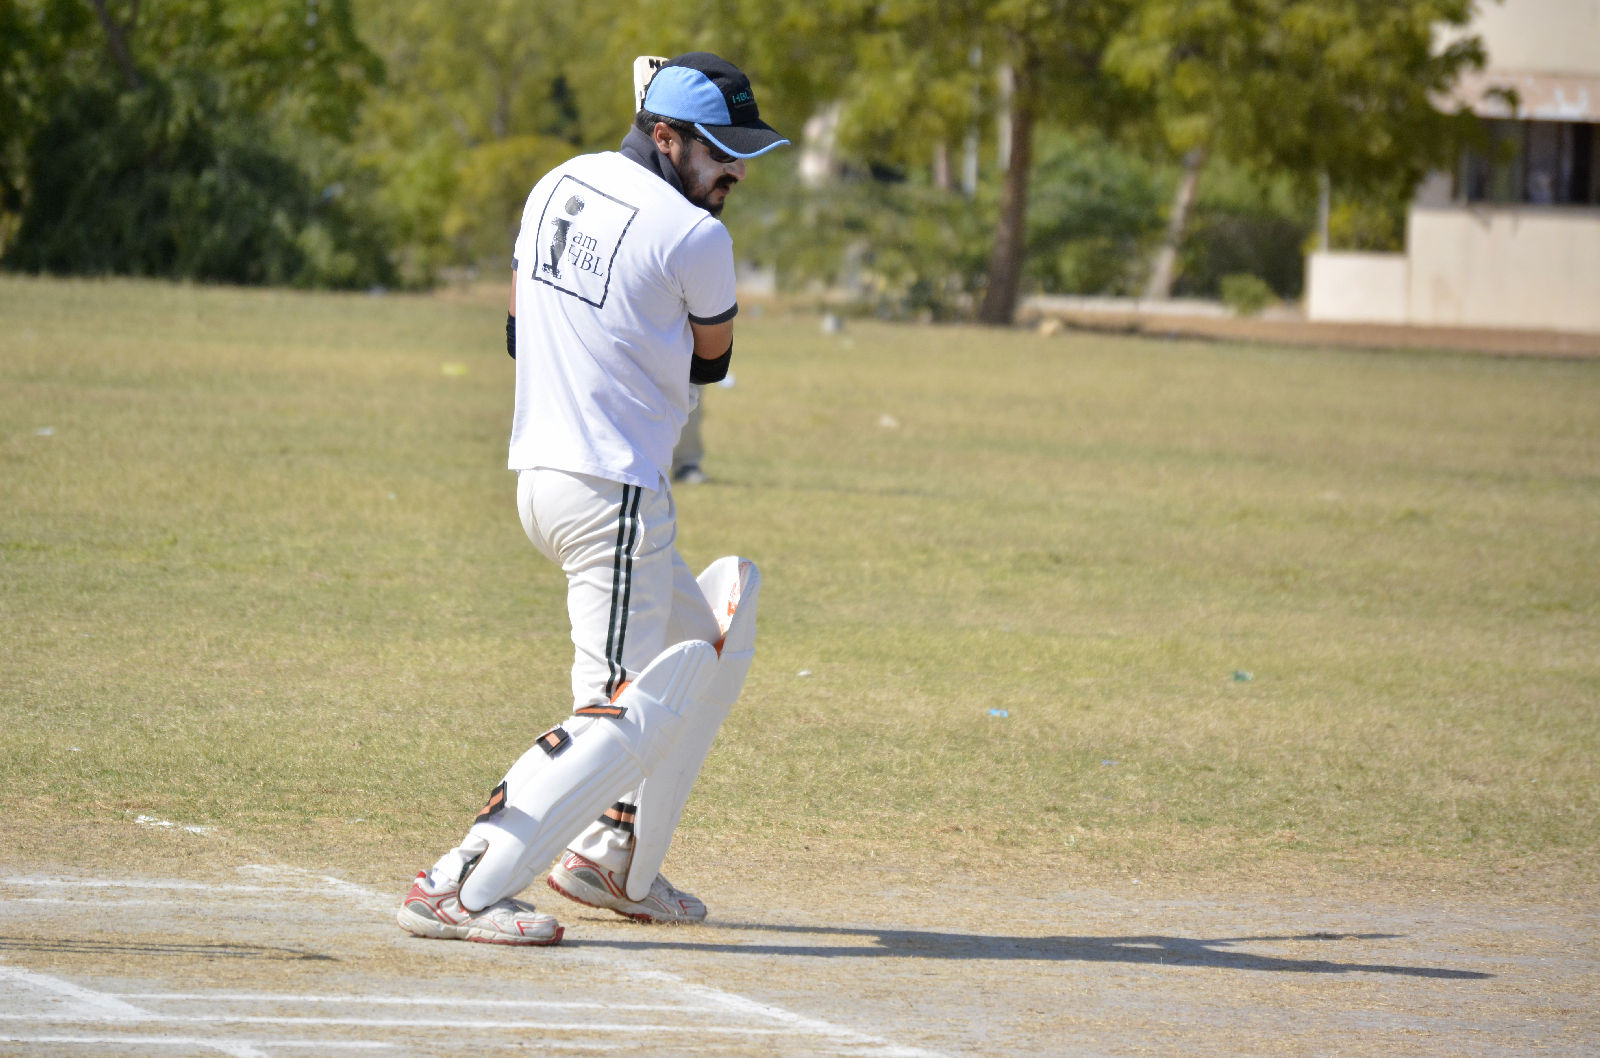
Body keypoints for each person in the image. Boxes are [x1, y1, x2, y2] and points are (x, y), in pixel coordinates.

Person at [396, 53, 788, 945]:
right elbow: (714, 360)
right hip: (615, 494)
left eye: (745, 152)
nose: (736, 170)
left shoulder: (556, 183)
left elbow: (515, 326)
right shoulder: (699, 238)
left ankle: (612, 853)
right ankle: (461, 882)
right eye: (721, 151)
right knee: (620, 713)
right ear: (665, 136)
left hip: (543, 478)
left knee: (702, 647)